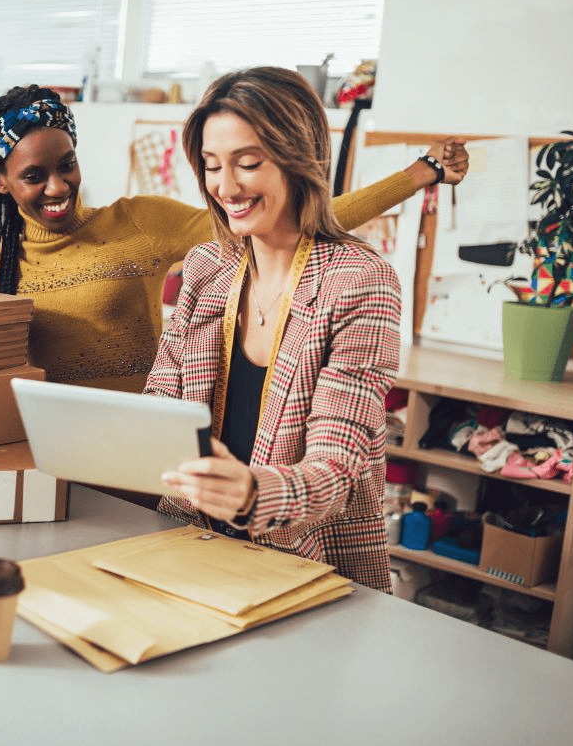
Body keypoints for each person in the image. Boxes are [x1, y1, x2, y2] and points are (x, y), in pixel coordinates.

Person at [0, 45, 467, 393]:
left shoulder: (143, 223)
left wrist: (418, 175)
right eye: (35, 175)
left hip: (149, 457)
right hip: (43, 456)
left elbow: (298, 219)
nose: (58, 186)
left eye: (67, 163)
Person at [153, 66, 406, 592]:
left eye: (248, 163)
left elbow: (336, 471)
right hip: (188, 551)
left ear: (301, 159)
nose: (226, 187)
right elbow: (159, 407)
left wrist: (249, 493)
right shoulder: (204, 269)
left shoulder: (360, 281)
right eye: (211, 166)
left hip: (305, 570)